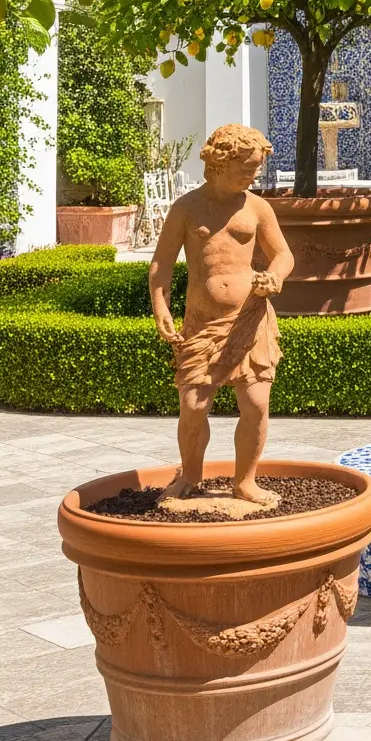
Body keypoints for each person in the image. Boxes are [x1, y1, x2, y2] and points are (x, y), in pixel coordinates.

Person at [148, 123, 294, 511]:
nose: (252, 176)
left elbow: (283, 254)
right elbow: (161, 264)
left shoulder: (257, 208)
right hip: (202, 323)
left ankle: (245, 482)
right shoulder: (187, 208)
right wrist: (161, 308)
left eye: (256, 169)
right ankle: (191, 473)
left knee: (256, 404)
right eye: (245, 169)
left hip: (250, 319)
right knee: (194, 405)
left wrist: (274, 277)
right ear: (217, 164)